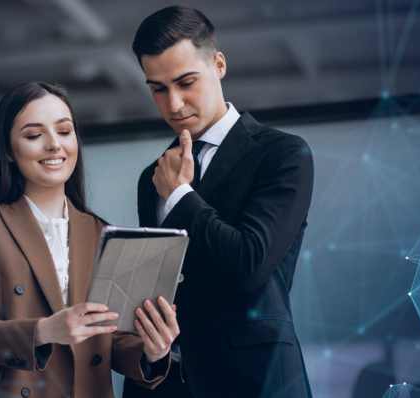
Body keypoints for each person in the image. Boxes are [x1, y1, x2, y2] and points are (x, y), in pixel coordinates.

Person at [124, 6, 315, 398]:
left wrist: (180, 195)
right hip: (169, 384)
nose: (174, 104)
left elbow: (249, 264)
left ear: (219, 65)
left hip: (253, 380)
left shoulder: (283, 154)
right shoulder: (154, 177)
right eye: (158, 88)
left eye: (185, 82)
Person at [0, 82, 179, 398]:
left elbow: (110, 335)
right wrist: (43, 331)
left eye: (64, 131)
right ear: (9, 151)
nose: (54, 145)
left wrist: (153, 349)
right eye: (33, 135)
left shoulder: (101, 232)